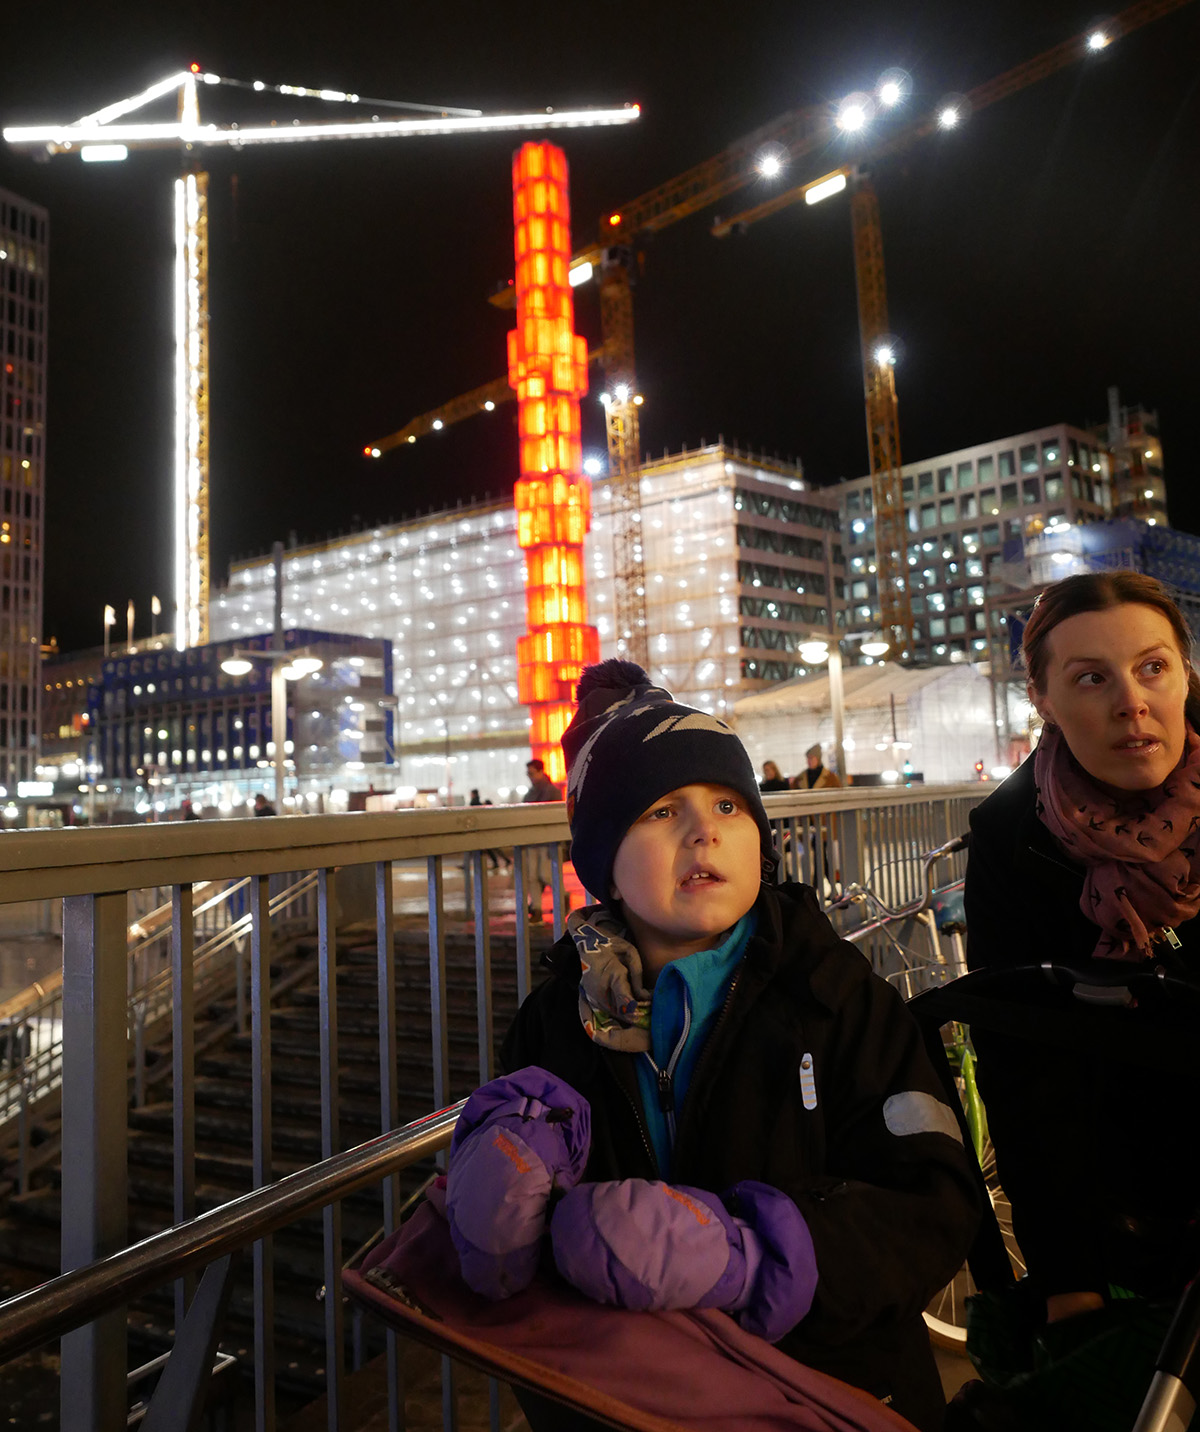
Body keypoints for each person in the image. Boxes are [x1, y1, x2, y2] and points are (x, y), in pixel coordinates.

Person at [445, 660, 979, 1431]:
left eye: (729, 804)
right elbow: (533, 1210)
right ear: (603, 868)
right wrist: (497, 1171)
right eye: (661, 811)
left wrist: (754, 1254)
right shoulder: (557, 1018)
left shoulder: (831, 993)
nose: (705, 830)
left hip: (826, 1393)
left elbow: (935, 1202)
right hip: (620, 1404)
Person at [963, 573, 1200, 1419]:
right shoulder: (1010, 837)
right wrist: (1067, 1282)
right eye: (1092, 678)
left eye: (1154, 668)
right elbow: (1023, 1068)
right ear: (1043, 698)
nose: (1133, 703)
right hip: (1122, 1204)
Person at [522, 758, 562, 923]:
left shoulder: (551, 791)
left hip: (548, 842)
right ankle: (537, 910)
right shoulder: (531, 792)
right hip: (533, 841)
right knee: (533, 877)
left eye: (531, 773)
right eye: (528, 774)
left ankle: (561, 899)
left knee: (546, 875)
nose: (529, 777)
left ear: (540, 772)